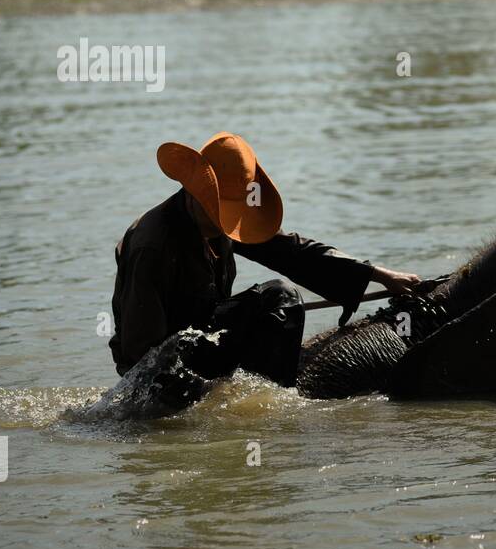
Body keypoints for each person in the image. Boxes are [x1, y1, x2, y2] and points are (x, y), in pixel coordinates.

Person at [108, 131, 420, 385]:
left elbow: (292, 252)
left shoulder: (218, 226)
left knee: (277, 306)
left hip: (204, 337)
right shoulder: (153, 247)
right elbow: (142, 355)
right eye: (219, 210)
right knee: (277, 296)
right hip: (165, 363)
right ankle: (271, 392)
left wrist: (378, 275)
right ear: (193, 192)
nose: (225, 221)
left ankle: (270, 392)